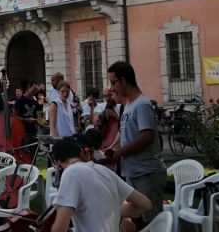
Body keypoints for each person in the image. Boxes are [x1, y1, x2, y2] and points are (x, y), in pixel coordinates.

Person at [106, 61, 166, 228]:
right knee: (137, 220)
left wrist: (120, 152)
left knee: (152, 222)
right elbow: (125, 133)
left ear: (123, 80)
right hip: (132, 172)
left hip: (147, 173)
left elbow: (146, 136)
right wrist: (112, 149)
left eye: (113, 82)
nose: (112, 88)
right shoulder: (128, 105)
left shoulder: (142, 105)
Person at [51, 137, 151, 232]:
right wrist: (113, 211)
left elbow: (60, 228)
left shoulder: (70, 173)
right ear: (81, 153)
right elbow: (145, 203)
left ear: (58, 163)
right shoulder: (104, 171)